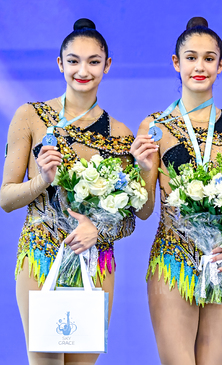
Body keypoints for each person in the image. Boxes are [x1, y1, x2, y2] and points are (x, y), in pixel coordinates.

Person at [0, 18, 135, 365]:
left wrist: (98, 229)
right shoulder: (31, 116)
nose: (83, 70)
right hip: (40, 256)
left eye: (93, 61)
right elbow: (6, 199)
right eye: (73, 61)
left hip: (96, 262)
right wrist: (41, 180)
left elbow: (129, 219)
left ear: (107, 65)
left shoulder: (119, 133)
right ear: (60, 64)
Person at [130, 16, 222, 365]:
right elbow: (143, 210)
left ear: (221, 65)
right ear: (176, 63)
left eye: (209, 58)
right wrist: (142, 169)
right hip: (173, 259)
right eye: (191, 57)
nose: (199, 66)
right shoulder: (155, 127)